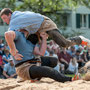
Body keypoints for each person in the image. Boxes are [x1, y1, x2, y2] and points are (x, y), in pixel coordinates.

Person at [4, 30, 78, 82]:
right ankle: (69, 79)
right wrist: (13, 51)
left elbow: (41, 53)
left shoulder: (32, 44)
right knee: (48, 70)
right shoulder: (20, 38)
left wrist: (44, 38)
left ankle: (36, 78)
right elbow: (7, 34)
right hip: (24, 69)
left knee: (54, 60)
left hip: (33, 62)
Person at [1, 8, 90, 48]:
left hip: (45, 24)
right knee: (29, 46)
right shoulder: (17, 14)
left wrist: (12, 49)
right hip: (38, 29)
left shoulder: (14, 19)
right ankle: (28, 69)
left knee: (64, 44)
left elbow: (9, 35)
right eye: (2, 19)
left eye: (5, 18)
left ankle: (80, 39)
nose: (5, 21)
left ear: (10, 14)